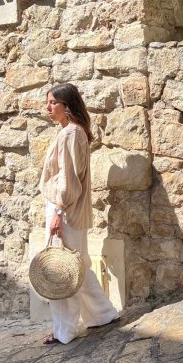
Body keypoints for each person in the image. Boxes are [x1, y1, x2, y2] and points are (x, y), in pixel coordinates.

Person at [39, 83, 119, 344]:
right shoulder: (71, 132)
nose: (48, 108)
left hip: (65, 209)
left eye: (53, 103)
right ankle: (103, 314)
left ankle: (65, 330)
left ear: (67, 106)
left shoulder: (70, 134)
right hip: (68, 209)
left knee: (63, 272)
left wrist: (58, 212)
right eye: (48, 103)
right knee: (78, 265)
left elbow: (69, 180)